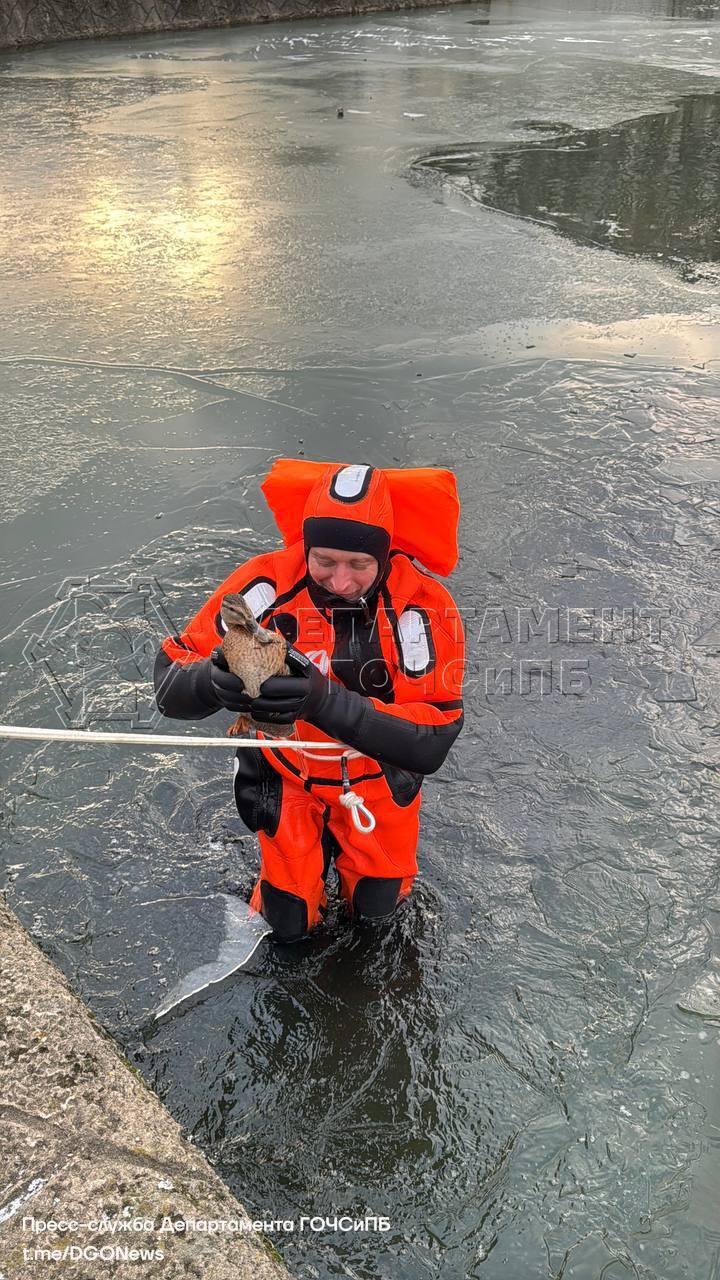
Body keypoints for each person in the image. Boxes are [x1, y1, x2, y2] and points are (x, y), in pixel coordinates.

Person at [154, 459, 465, 941]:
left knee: (378, 915)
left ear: (384, 556)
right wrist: (211, 682)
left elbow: (432, 743)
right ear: (306, 547)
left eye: (359, 565)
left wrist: (322, 702)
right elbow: (168, 690)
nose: (340, 582)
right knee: (287, 922)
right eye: (324, 561)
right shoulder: (263, 587)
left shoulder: (423, 609)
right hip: (284, 772)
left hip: (377, 781)